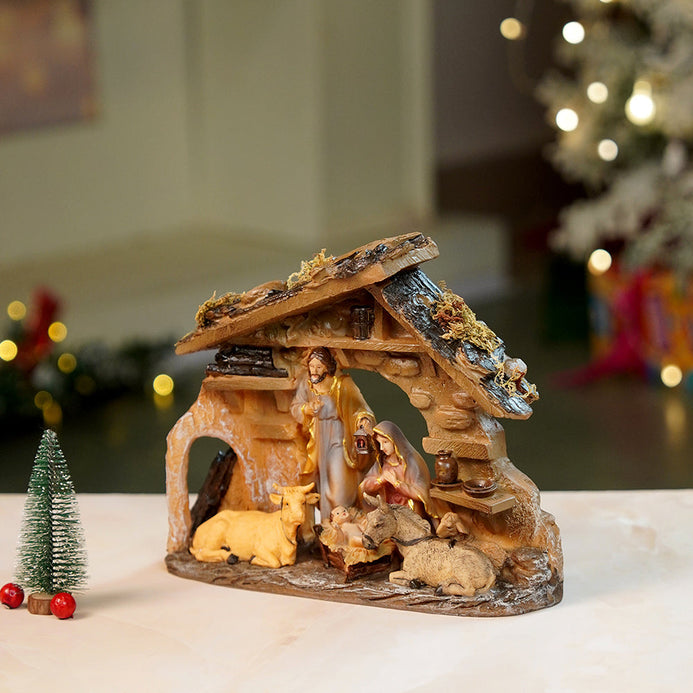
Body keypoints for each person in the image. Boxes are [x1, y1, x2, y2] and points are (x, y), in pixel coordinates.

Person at [290, 347, 375, 516]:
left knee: (338, 485)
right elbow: (295, 407)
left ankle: (344, 516)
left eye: (318, 366)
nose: (314, 371)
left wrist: (363, 420)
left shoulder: (342, 384)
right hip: (318, 439)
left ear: (327, 367)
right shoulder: (307, 384)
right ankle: (327, 523)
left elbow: (360, 408)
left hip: (339, 438)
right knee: (322, 483)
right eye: (311, 366)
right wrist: (307, 408)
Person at [359, 420, 434, 519]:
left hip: (409, 512)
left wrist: (397, 484)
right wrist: (379, 481)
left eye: (385, 442)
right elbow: (365, 485)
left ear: (395, 440)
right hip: (388, 510)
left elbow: (422, 493)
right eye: (379, 443)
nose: (381, 448)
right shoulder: (382, 461)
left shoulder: (410, 461)